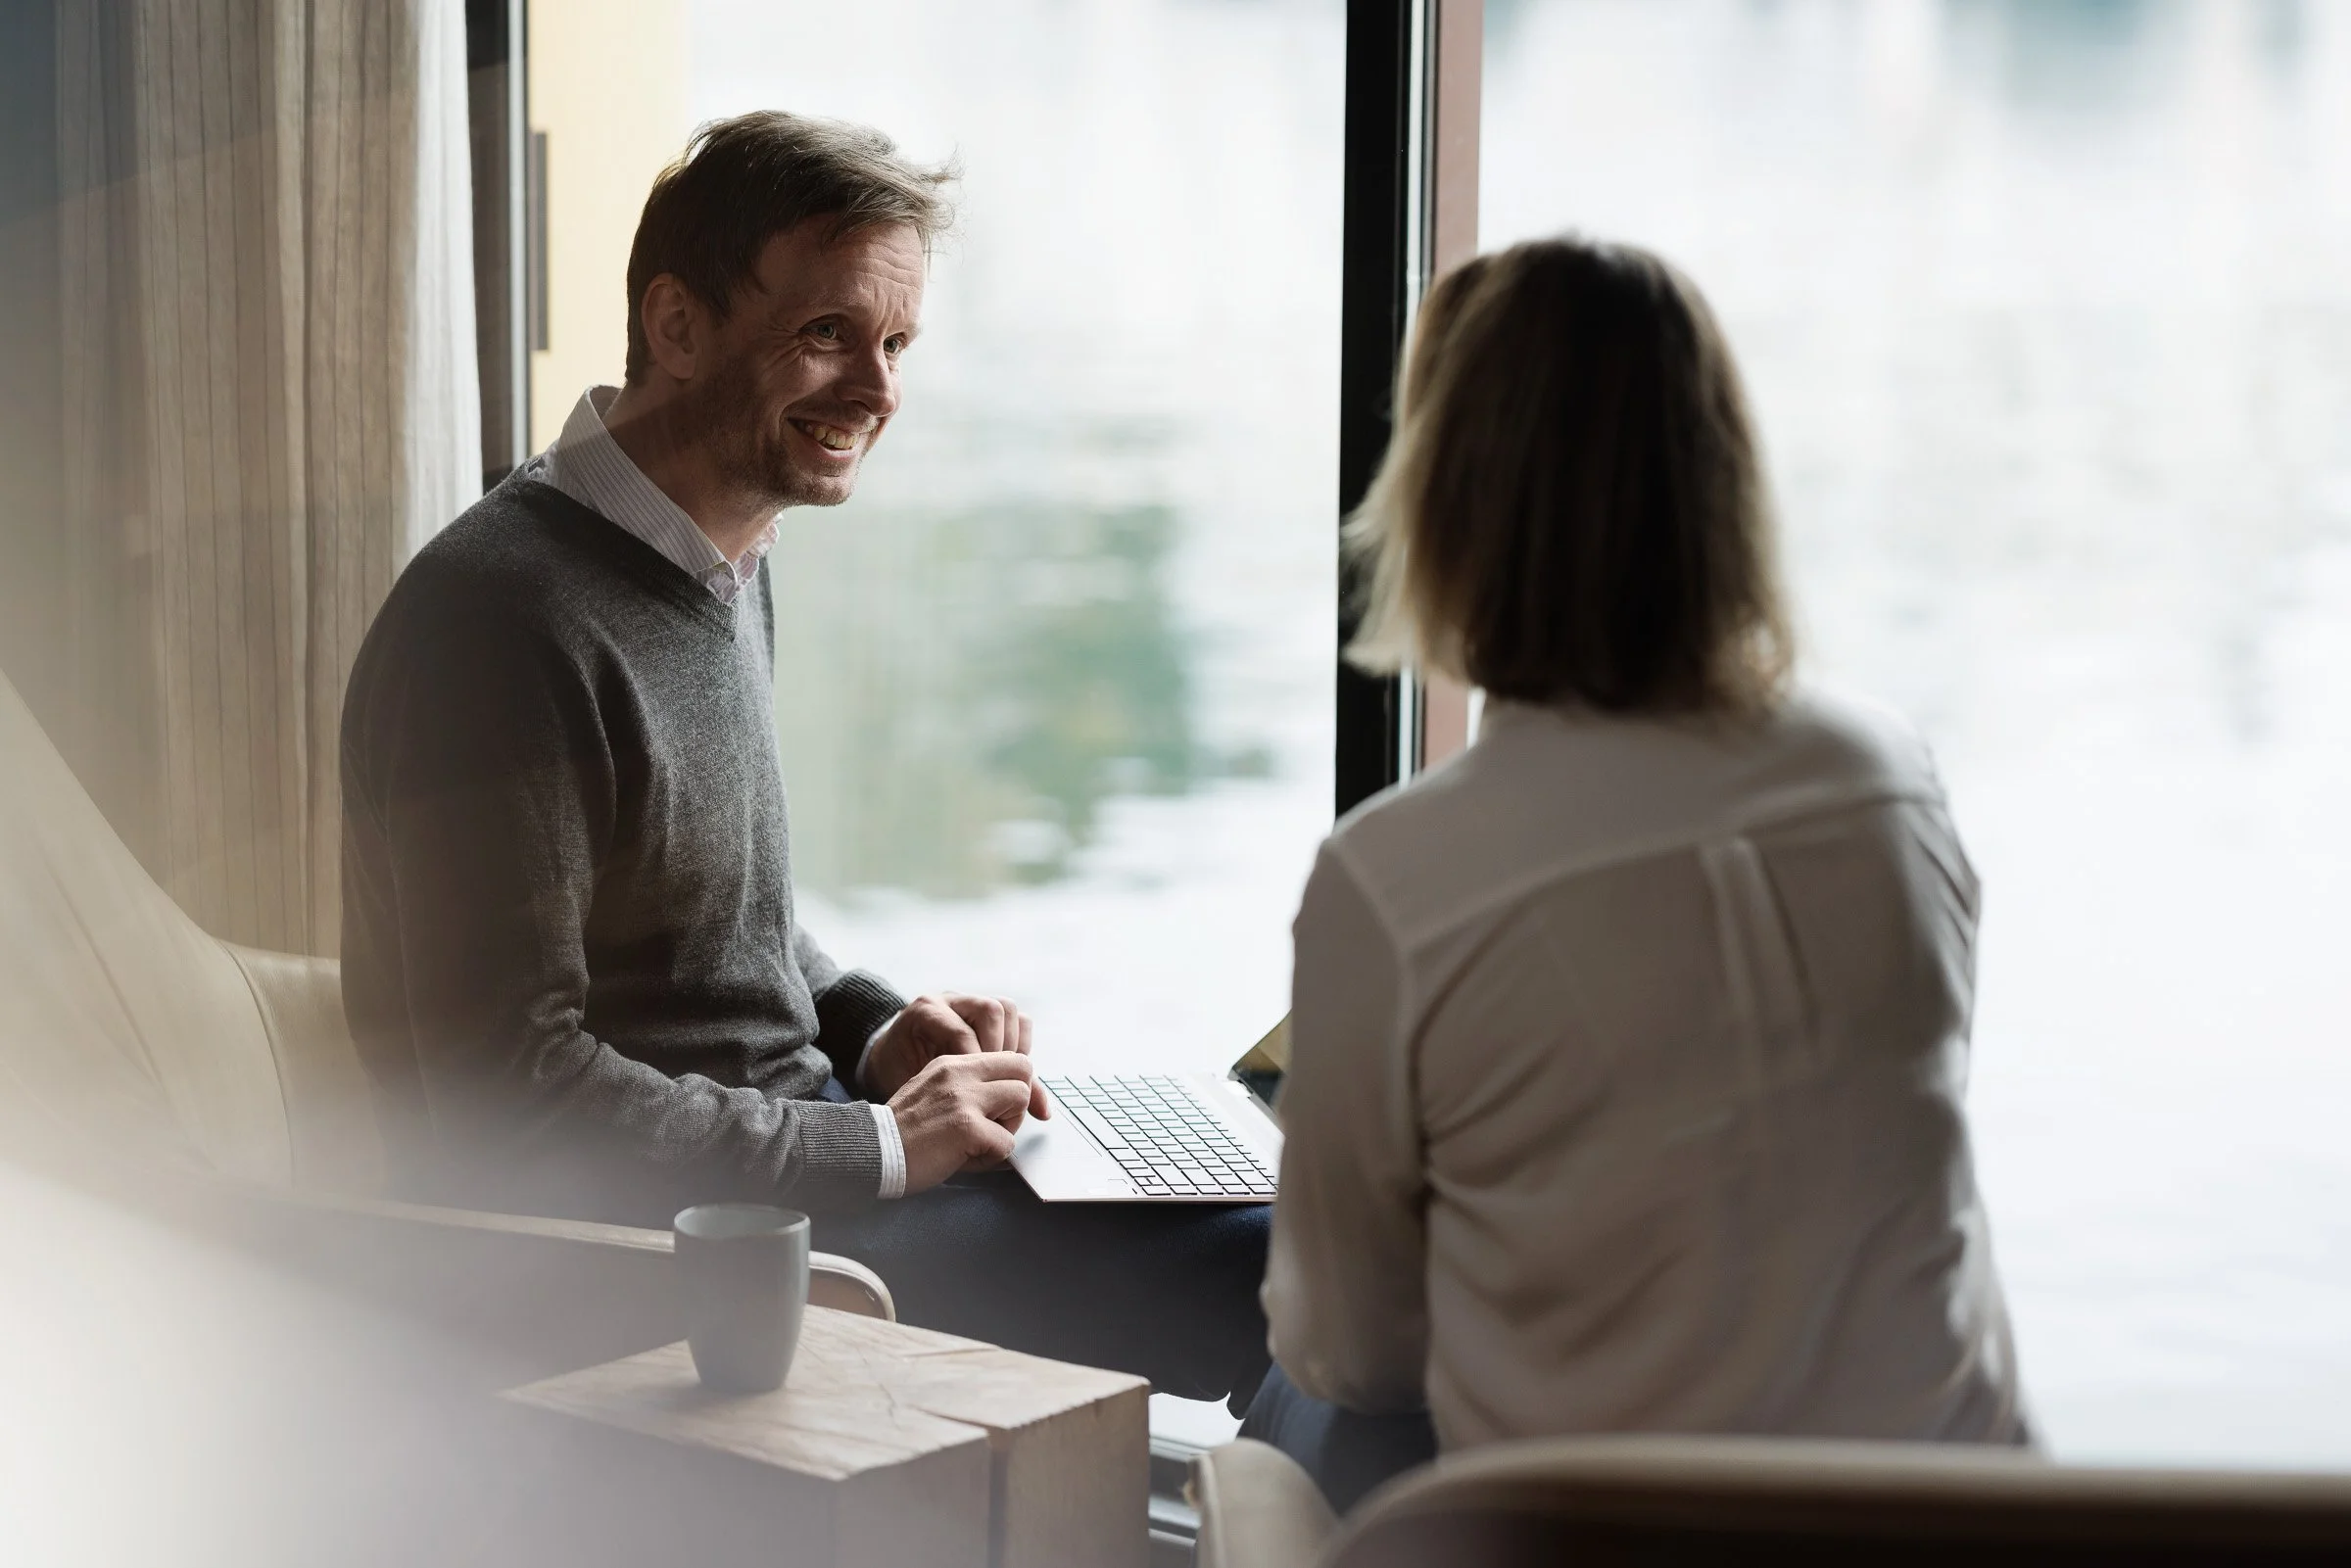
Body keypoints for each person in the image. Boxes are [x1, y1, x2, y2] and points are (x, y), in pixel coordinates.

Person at [339, 112, 1268, 1409]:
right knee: (1299, 1280)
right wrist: (879, 1149)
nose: (879, 392)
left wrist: (881, 1029)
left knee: (1309, 1230)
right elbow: (514, 1092)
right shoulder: (496, 623)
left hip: (799, 1164)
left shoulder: (722, 557)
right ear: (676, 326)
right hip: (691, 1256)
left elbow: (715, 931)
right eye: (828, 336)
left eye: (895, 345)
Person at [1240, 238, 2033, 1508]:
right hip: (1957, 1519)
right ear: (1722, 474)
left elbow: (1349, 1350)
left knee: (1300, 1408)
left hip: (1617, 1530)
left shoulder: (1400, 875)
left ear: (1442, 491)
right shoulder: (1889, 778)